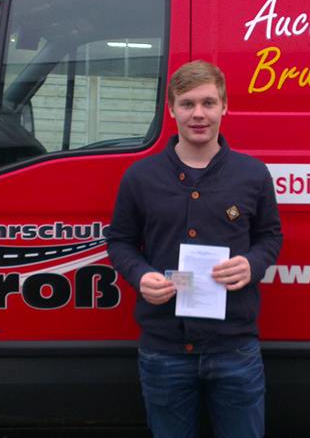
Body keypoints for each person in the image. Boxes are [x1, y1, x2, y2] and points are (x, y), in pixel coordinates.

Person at [107, 59, 283, 438]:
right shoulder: (140, 177)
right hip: (164, 350)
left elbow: (271, 236)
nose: (198, 114)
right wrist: (140, 275)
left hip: (234, 348)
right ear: (171, 110)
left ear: (224, 106)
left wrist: (252, 264)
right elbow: (120, 241)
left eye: (208, 103)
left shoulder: (252, 175)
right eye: (187, 104)